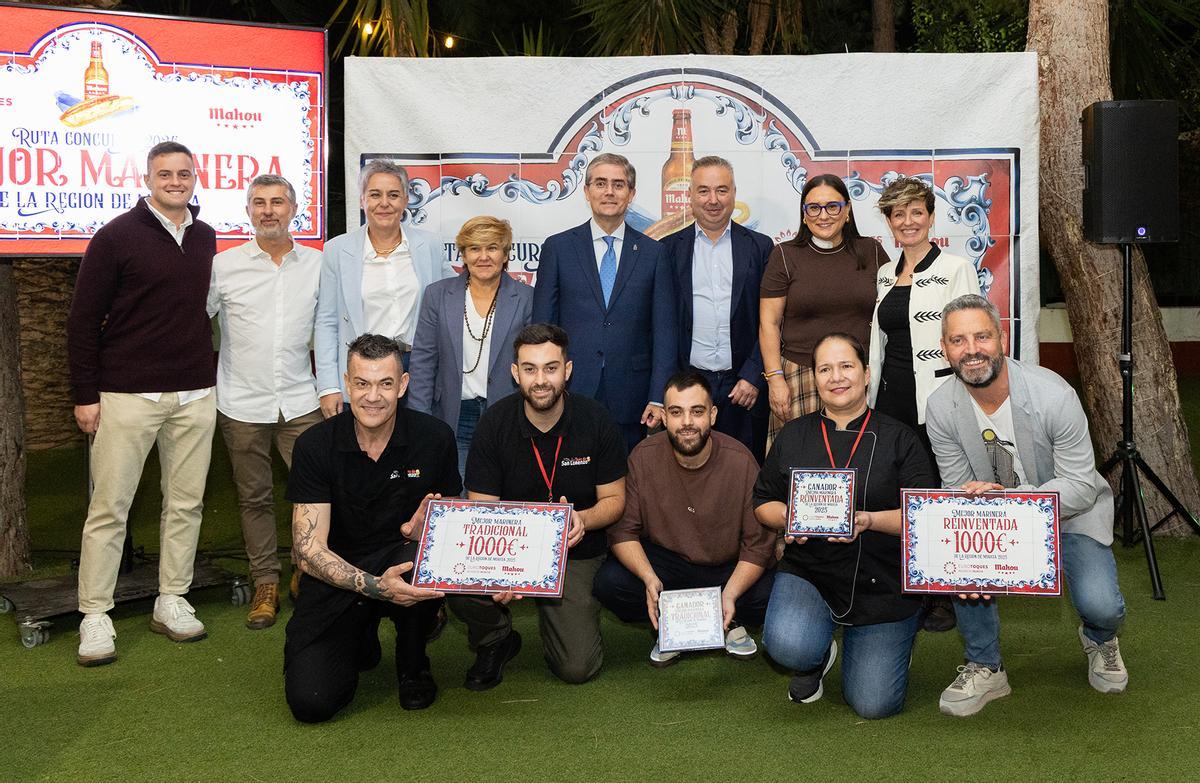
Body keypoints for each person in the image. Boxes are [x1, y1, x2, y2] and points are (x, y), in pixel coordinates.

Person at [926, 294, 1128, 717]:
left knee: (1102, 605)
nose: (971, 349)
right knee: (963, 563)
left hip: (1069, 515)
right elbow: (956, 491)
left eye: (981, 336)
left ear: (1002, 338)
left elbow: (1079, 487)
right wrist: (963, 551)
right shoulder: (941, 406)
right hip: (994, 520)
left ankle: (1099, 637)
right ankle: (986, 665)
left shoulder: (1053, 394)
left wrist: (1011, 501)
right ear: (944, 348)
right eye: (958, 340)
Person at [68, 141, 217, 667]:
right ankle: (95, 615)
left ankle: (172, 599)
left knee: (186, 504)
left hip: (196, 393)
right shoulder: (115, 237)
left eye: (183, 173)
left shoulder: (204, 237)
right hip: (127, 394)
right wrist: (86, 394)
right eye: (164, 173)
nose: (175, 180)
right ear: (148, 177)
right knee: (109, 509)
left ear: (195, 177)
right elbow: (83, 322)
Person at [755, 333, 936, 719]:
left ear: (867, 373)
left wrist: (869, 520)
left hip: (882, 581)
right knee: (788, 644)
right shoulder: (793, 435)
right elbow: (762, 503)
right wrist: (789, 516)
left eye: (847, 366)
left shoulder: (900, 438)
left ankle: (889, 641)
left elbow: (926, 517)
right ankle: (815, 655)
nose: (836, 377)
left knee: (874, 705)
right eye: (825, 369)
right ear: (815, 378)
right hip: (811, 571)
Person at [284, 334, 460, 721]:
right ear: (347, 383)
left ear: (403, 385)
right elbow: (308, 550)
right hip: (337, 575)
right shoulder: (315, 446)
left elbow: (454, 522)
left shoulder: (435, 438)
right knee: (312, 703)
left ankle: (413, 663)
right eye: (362, 383)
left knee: (419, 559)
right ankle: (359, 635)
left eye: (385, 383)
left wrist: (426, 530)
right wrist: (376, 587)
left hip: (400, 558)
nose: (373, 396)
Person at [452, 324, 626, 687]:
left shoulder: (595, 420)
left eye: (551, 367)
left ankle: (558, 618)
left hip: (574, 551)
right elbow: (482, 513)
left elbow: (614, 501)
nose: (541, 380)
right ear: (515, 373)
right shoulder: (494, 425)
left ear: (568, 370)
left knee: (577, 669)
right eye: (530, 369)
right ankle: (495, 637)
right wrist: (504, 570)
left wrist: (581, 519)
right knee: (457, 575)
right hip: (512, 551)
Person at [593, 370, 776, 666]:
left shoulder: (740, 460)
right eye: (677, 412)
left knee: (771, 593)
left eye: (697, 411)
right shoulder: (642, 457)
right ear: (664, 417)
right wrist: (649, 579)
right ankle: (672, 624)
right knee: (610, 582)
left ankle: (729, 618)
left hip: (725, 568)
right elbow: (623, 531)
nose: (687, 423)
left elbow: (758, 545)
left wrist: (730, 594)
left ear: (713, 415)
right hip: (669, 568)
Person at [207, 174, 323, 630]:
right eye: (259, 203)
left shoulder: (319, 263)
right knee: (253, 497)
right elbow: (194, 319)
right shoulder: (224, 266)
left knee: (314, 496)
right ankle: (265, 583)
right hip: (241, 403)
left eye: (277, 202)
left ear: (295, 208)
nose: (268, 210)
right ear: (249, 211)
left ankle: (307, 572)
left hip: (302, 400)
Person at [867, 175, 980, 633]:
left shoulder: (954, 267)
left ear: (931, 218)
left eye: (917, 212)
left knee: (940, 492)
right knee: (903, 493)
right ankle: (906, 585)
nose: (908, 221)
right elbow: (877, 341)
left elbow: (970, 340)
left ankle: (945, 595)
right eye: (899, 214)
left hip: (937, 401)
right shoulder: (883, 273)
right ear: (890, 224)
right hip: (889, 400)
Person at [531, 152, 678, 452]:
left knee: (627, 485)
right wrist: (545, 384)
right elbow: (542, 330)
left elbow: (665, 331)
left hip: (633, 397)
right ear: (586, 192)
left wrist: (657, 396)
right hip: (569, 390)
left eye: (618, 184)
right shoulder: (558, 248)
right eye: (600, 183)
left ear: (631, 193)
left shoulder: (654, 253)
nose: (609, 192)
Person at [314, 160, 455, 416]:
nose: (384, 203)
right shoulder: (336, 250)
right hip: (362, 369)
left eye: (393, 195)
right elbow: (326, 321)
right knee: (364, 450)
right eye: (375, 195)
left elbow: (454, 299)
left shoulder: (431, 246)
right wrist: (328, 386)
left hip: (417, 369)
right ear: (361, 200)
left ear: (405, 200)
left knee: (416, 448)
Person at [759, 173, 887, 452]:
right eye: (813, 208)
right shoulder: (784, 255)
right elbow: (768, 323)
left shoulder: (872, 251)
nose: (823, 215)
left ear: (848, 210)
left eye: (833, 206)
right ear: (804, 215)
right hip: (799, 378)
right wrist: (775, 379)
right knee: (797, 463)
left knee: (860, 460)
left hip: (858, 378)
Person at [660, 157, 775, 460]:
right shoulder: (668, 249)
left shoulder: (761, 247)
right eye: (703, 191)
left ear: (734, 193)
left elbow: (773, 318)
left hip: (744, 388)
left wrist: (753, 374)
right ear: (690, 195)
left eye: (722, 190)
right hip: (688, 386)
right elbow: (661, 322)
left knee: (746, 475)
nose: (713, 200)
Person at [408, 216, 534, 478]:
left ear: (506, 254)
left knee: (507, 491)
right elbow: (423, 361)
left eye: (492, 247)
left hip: (509, 414)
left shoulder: (526, 298)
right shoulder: (437, 295)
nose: (483, 256)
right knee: (460, 496)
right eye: (475, 248)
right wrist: (421, 421)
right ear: (463, 255)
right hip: (455, 414)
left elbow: (535, 364)